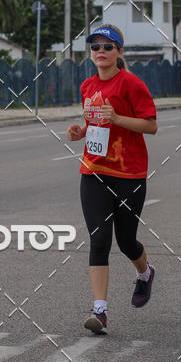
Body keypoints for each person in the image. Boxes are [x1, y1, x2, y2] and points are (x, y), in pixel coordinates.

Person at [67, 24, 158, 334]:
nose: (101, 52)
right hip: (93, 171)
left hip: (129, 174)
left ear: (120, 52)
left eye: (108, 46)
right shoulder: (87, 86)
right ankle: (100, 310)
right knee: (99, 239)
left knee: (126, 241)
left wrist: (117, 118)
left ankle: (145, 273)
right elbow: (93, 121)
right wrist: (81, 131)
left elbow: (151, 126)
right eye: (95, 47)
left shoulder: (131, 84)